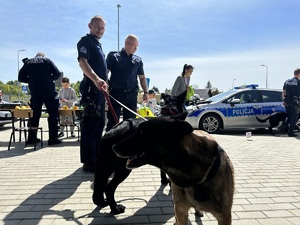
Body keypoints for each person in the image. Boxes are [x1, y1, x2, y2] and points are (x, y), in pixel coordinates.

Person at [77, 15, 108, 172]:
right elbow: (83, 62)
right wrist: (96, 79)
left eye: (102, 28)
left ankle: (96, 157)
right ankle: (89, 162)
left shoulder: (98, 45)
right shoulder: (86, 41)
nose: (100, 30)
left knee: (99, 125)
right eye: (97, 26)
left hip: (100, 91)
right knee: (90, 126)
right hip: (91, 89)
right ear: (90, 25)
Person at [105, 34, 149, 131]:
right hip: (115, 94)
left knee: (131, 123)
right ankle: (108, 144)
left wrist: (146, 92)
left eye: (137, 46)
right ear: (127, 43)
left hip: (131, 95)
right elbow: (105, 72)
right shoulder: (113, 56)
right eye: (134, 45)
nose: (136, 48)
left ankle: (128, 145)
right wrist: (105, 86)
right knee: (113, 122)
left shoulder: (138, 60)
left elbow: (142, 77)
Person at [18, 52, 62, 145]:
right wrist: (49, 78)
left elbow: (20, 78)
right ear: (43, 56)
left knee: (34, 115)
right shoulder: (47, 60)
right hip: (49, 91)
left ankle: (31, 139)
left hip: (35, 92)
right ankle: (53, 138)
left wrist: (31, 79)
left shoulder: (28, 62)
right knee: (53, 115)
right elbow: (57, 74)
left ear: (35, 56)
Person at [282, 68, 300, 137]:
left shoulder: (287, 81)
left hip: (287, 102)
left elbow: (283, 91)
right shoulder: (298, 82)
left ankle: (284, 128)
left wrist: (283, 100)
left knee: (289, 116)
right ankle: (291, 132)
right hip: (295, 102)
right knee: (294, 117)